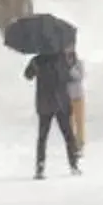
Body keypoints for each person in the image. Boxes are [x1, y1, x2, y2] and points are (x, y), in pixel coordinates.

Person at [28, 41, 83, 177]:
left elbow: (27, 75)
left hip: (44, 103)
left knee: (42, 137)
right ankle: (73, 164)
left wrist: (35, 67)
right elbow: (68, 77)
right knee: (68, 135)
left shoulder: (37, 60)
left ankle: (40, 168)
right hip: (61, 103)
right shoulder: (61, 59)